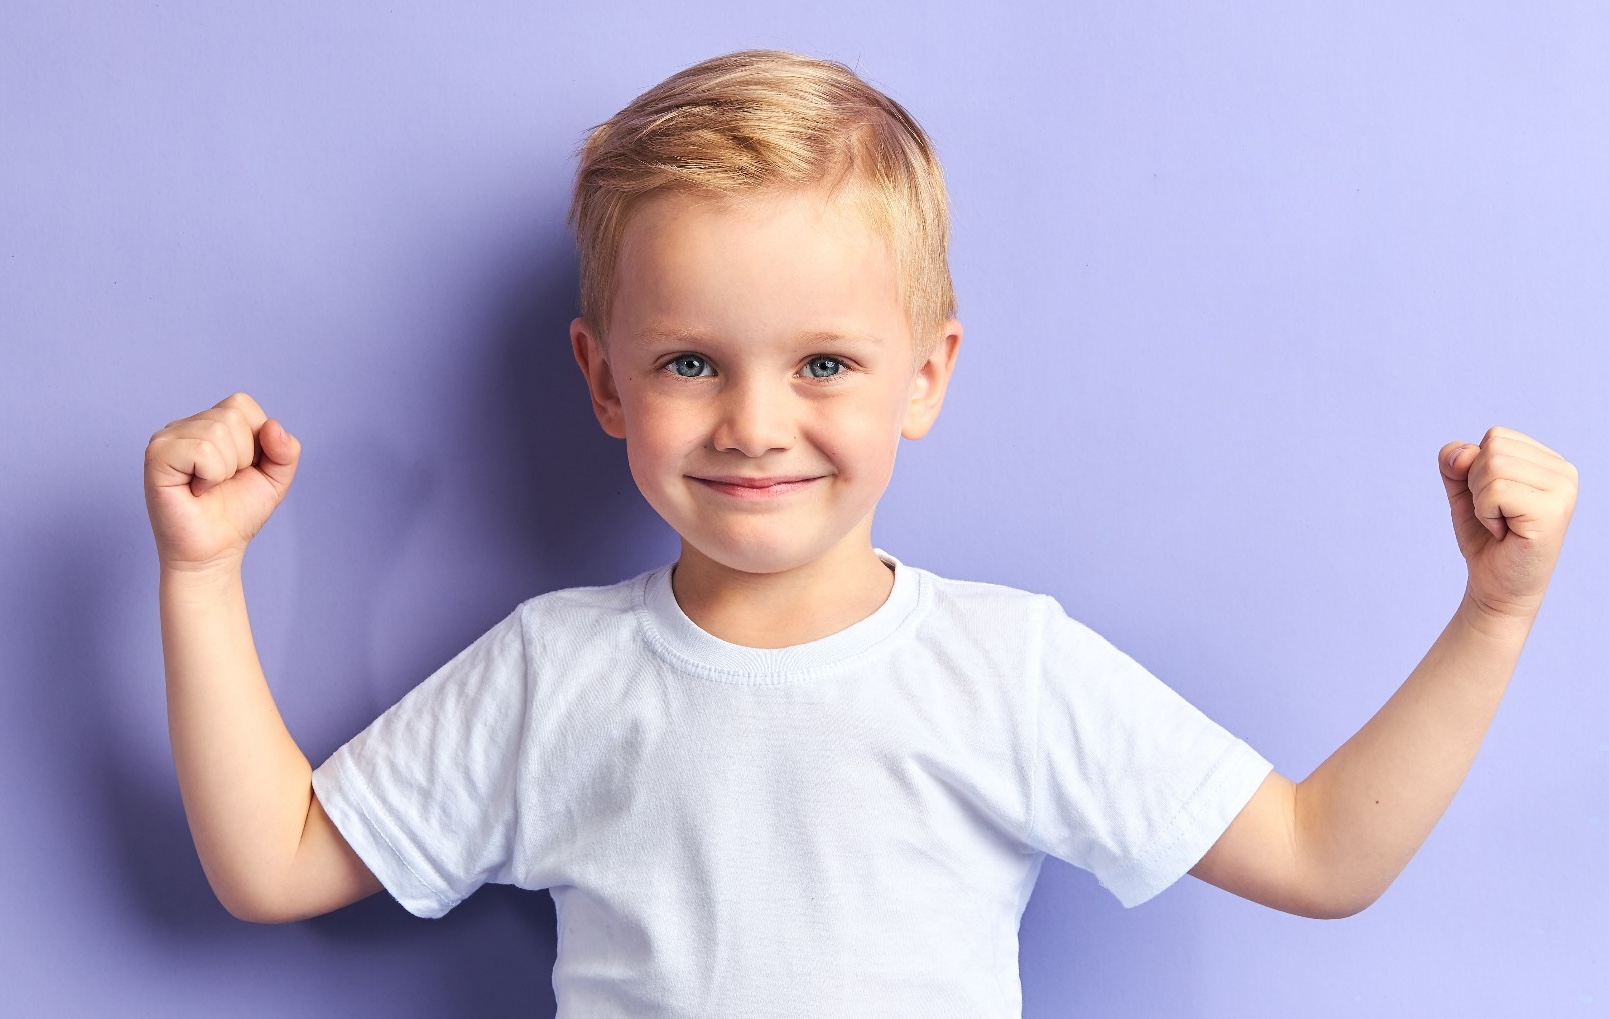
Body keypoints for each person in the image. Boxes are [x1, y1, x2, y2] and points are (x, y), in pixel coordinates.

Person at [142, 50, 1578, 1016]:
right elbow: (274, 864)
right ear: (602, 381)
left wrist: (1494, 613)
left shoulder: (1008, 668)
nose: (753, 423)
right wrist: (202, 576)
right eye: (691, 362)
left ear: (925, 377)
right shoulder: (549, 672)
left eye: (821, 363)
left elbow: (1322, 858)